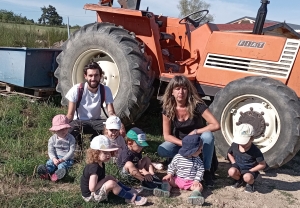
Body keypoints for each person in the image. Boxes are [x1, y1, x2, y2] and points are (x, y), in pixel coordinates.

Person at [157, 75, 220, 187]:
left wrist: (196, 131)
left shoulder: (197, 105)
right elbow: (166, 135)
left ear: (188, 90)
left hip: (198, 142)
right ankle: (182, 162)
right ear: (172, 92)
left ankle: (206, 171)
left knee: (208, 136)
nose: (181, 92)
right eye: (177, 88)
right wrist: (184, 144)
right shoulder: (168, 108)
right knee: (162, 149)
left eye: (184, 88)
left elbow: (215, 125)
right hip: (182, 144)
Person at [80, 135, 147, 205]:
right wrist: (105, 180)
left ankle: (128, 190)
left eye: (109, 152)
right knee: (111, 183)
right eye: (105, 153)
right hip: (90, 196)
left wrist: (106, 179)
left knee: (110, 178)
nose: (108, 155)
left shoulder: (101, 163)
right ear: (95, 153)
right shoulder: (94, 168)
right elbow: (92, 188)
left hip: (95, 191)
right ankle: (130, 197)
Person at [65, 61, 115, 145]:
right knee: (71, 127)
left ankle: (97, 142)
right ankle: (76, 147)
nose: (93, 79)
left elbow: (111, 111)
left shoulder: (105, 90)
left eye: (96, 75)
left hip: (96, 121)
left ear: (100, 76)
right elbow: (70, 115)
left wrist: (115, 122)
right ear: (85, 76)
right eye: (90, 75)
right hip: (79, 122)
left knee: (111, 128)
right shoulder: (76, 89)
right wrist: (62, 124)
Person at [154, 135, 205, 205]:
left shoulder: (197, 159)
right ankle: (165, 190)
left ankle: (195, 195)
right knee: (166, 180)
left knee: (199, 186)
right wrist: (169, 174)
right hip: (178, 180)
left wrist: (196, 180)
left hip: (191, 183)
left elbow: (200, 170)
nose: (200, 152)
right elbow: (172, 166)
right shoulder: (178, 157)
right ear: (192, 150)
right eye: (199, 150)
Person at [227, 123, 266, 193]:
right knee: (231, 171)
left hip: (249, 169)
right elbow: (229, 153)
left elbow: (262, 164)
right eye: (240, 141)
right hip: (238, 167)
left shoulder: (255, 151)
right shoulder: (235, 145)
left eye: (244, 142)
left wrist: (252, 170)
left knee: (247, 177)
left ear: (252, 138)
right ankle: (239, 180)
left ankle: (250, 184)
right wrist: (233, 162)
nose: (242, 144)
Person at [37, 114, 75, 181]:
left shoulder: (71, 138)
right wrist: (54, 159)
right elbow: (50, 151)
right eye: (60, 129)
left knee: (62, 165)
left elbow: (71, 151)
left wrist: (62, 159)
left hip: (66, 159)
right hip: (55, 157)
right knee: (50, 163)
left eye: (65, 128)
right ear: (55, 130)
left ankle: (57, 175)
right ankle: (46, 172)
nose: (63, 131)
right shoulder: (52, 139)